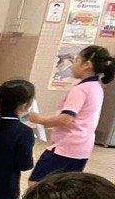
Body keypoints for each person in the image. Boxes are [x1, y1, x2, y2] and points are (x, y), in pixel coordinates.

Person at [28, 44, 113, 182]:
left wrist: (38, 119)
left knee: (37, 183)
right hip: (82, 147)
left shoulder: (81, 89)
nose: (72, 65)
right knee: (64, 185)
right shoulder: (97, 87)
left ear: (87, 65)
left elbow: (66, 119)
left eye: (76, 60)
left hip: (67, 146)